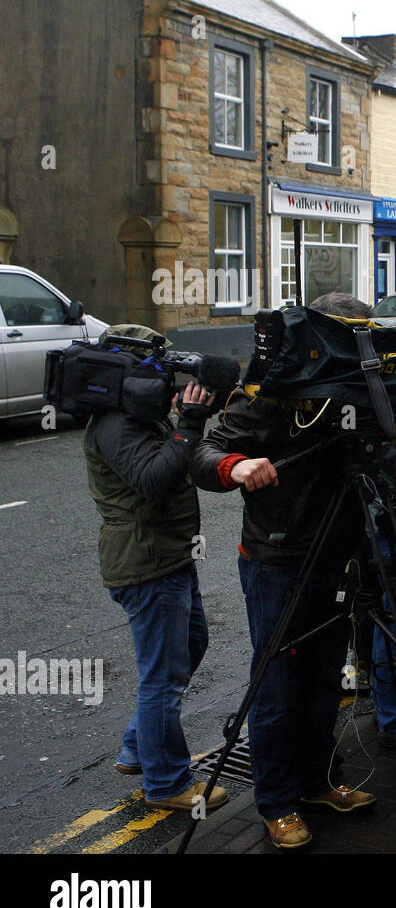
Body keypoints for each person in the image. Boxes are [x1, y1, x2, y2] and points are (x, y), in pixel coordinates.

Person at [192, 293, 379, 850]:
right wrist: (237, 466)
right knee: (277, 687)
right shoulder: (272, 387)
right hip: (277, 560)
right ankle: (276, 802)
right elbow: (207, 453)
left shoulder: (364, 388)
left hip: (337, 557)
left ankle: (319, 781)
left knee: (325, 680)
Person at [84, 325, 228, 814]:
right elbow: (152, 479)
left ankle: (136, 749)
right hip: (146, 562)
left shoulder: (136, 416)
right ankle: (166, 781)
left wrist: (189, 425)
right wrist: (189, 424)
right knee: (162, 677)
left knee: (191, 645)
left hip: (167, 554)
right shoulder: (116, 424)